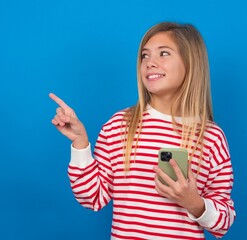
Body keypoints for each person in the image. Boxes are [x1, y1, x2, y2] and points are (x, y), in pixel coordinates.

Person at [49, 22, 235, 240]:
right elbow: (93, 197)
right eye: (144, 56)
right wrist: (80, 143)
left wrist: (193, 202)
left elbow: (223, 222)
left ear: (191, 63)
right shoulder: (119, 125)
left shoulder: (211, 137)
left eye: (163, 53)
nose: (150, 63)